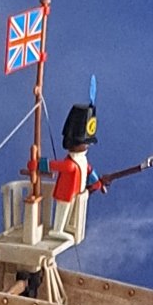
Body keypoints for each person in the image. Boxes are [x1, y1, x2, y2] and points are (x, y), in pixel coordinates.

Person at [30, 103, 104, 241]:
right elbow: (54, 165)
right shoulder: (71, 164)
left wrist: (96, 182)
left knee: (69, 211)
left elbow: (88, 170)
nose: (87, 146)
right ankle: (57, 230)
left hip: (75, 192)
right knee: (62, 211)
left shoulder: (81, 160)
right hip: (66, 193)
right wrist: (39, 165)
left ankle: (62, 228)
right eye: (85, 143)